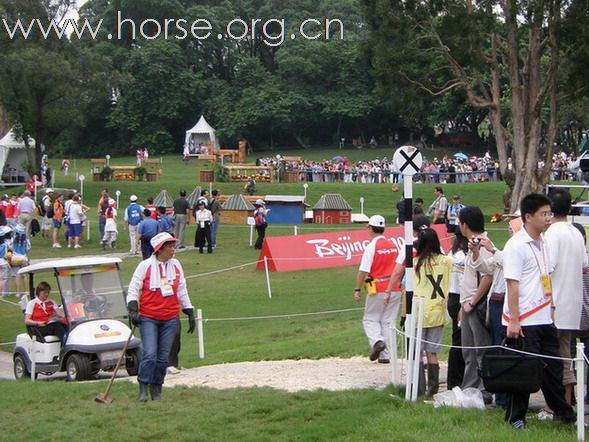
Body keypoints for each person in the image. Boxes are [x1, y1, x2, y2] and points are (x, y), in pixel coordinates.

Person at [503, 193, 576, 429]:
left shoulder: (544, 243)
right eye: (544, 214)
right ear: (528, 217)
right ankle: (516, 417)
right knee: (526, 370)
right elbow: (512, 284)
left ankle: (562, 411)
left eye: (550, 213)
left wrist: (551, 307)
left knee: (553, 367)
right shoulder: (516, 245)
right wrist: (514, 320)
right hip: (524, 319)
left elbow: (547, 278)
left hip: (544, 316)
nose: (548, 218)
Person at [126, 232, 196, 401]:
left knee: (163, 357)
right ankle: (143, 386)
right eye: (169, 246)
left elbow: (181, 289)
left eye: (173, 245)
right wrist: (133, 309)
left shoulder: (176, 265)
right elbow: (134, 288)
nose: (173, 249)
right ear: (159, 249)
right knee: (150, 354)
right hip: (149, 317)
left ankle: (156, 388)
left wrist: (189, 309)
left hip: (170, 318)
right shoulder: (145, 266)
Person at [545, 189, 588, 405]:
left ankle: (558, 404)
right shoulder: (576, 233)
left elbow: (547, 268)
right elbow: (584, 267)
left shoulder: (552, 233)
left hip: (555, 304)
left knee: (556, 357)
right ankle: (566, 400)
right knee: (565, 354)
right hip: (573, 303)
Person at [457, 206, 492, 402]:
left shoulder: (484, 245)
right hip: (468, 305)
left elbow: (488, 276)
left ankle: (484, 388)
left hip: (477, 306)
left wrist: (472, 302)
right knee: (469, 350)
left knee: (481, 349)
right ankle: (469, 387)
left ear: (465, 225)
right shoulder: (473, 244)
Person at [354, 215, 399, 363]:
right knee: (388, 321)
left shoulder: (371, 247)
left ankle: (377, 341)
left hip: (378, 287)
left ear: (371, 228)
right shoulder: (393, 245)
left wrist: (357, 289)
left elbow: (363, 270)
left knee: (370, 319)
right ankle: (386, 355)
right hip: (395, 287)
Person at [413, 227, 453, 397]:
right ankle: (433, 389)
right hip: (438, 310)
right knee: (432, 352)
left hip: (419, 312)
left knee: (417, 352)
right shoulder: (447, 261)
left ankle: (420, 389)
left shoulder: (415, 264)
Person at [446, 230, 468, 390]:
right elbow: (461, 281)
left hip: (454, 298)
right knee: (459, 341)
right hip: (459, 298)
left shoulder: (453, 253)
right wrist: (462, 305)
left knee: (459, 339)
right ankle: (454, 381)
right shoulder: (460, 256)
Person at [10, 224, 30, 297]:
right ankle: (26, 291)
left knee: (17, 276)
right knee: (24, 276)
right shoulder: (26, 240)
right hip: (24, 258)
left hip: (15, 258)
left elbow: (10, 249)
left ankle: (18, 293)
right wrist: (28, 259)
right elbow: (28, 250)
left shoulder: (13, 239)